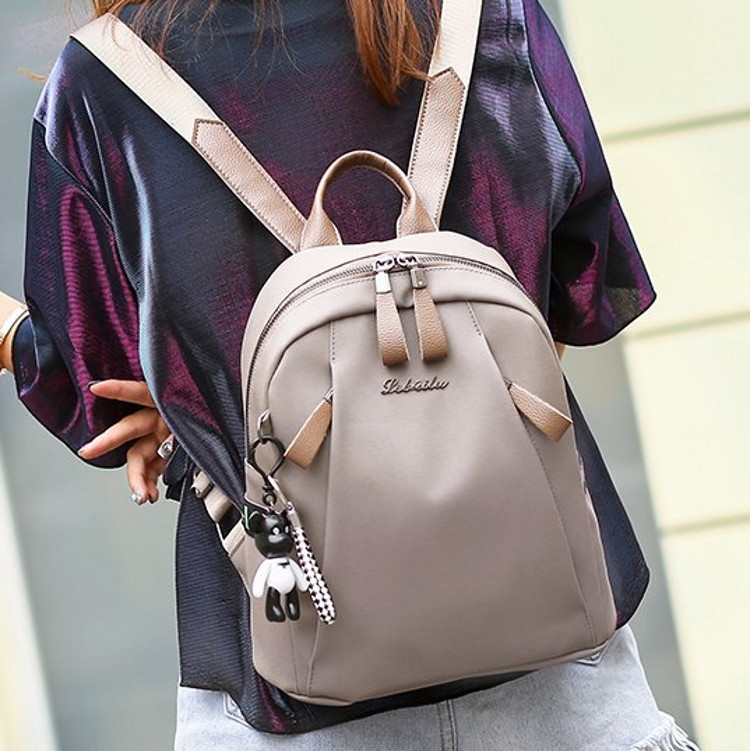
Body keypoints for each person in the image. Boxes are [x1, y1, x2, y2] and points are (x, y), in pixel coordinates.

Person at [0, 0, 701, 748]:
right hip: (564, 680)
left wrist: (183, 388)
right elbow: (582, 290)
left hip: (286, 671)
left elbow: (92, 382)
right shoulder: (488, 16)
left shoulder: (106, 78)